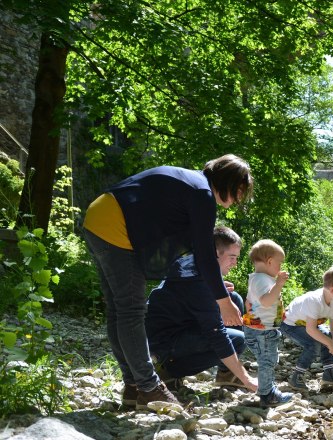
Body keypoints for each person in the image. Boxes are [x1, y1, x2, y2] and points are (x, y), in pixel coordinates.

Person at [82, 154, 253, 409]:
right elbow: (205, 255)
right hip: (116, 228)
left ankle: (133, 386)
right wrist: (223, 301)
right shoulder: (202, 193)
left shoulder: (190, 182)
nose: (239, 199)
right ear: (229, 183)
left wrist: (218, 292)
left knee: (119, 310)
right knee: (130, 310)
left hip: (98, 216)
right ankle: (149, 388)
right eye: (240, 192)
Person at [143, 225, 257, 397]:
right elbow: (217, 335)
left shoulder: (195, 263)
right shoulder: (195, 280)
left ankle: (227, 373)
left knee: (234, 299)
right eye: (232, 257)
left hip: (181, 326)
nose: (235, 263)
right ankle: (166, 370)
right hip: (163, 343)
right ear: (216, 253)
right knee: (238, 340)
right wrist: (248, 379)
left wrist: (217, 291)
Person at [279, 265, 333, 392]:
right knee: (314, 344)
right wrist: (331, 344)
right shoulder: (314, 300)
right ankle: (296, 377)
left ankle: (329, 373)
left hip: (306, 325)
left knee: (327, 335)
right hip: (289, 325)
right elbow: (311, 330)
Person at [243, 239, 294, 407]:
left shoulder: (257, 279)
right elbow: (266, 301)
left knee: (267, 360)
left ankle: (268, 389)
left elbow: (251, 303)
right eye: (279, 263)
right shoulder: (262, 280)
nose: (280, 267)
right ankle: (267, 394)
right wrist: (279, 284)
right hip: (262, 331)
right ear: (270, 261)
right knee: (268, 361)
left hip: (259, 328)